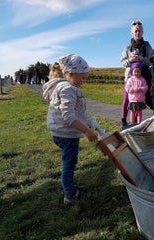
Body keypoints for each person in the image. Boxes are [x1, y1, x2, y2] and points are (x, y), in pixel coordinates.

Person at [42, 53, 98, 205]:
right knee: (69, 164)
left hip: (62, 133)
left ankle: (70, 187)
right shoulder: (68, 89)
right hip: (67, 135)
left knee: (69, 162)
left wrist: (87, 121)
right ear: (71, 74)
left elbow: (75, 112)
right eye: (83, 78)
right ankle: (70, 194)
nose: (84, 82)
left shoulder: (65, 86)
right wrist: (86, 131)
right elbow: (68, 116)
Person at [120, 20, 153, 128]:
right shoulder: (127, 47)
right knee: (127, 99)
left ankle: (152, 120)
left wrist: (141, 59)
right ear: (132, 33)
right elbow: (123, 62)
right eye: (135, 31)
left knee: (147, 99)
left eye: (139, 31)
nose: (137, 33)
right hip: (130, 78)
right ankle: (124, 121)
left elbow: (151, 61)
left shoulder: (147, 46)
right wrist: (131, 59)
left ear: (142, 32)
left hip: (144, 78)